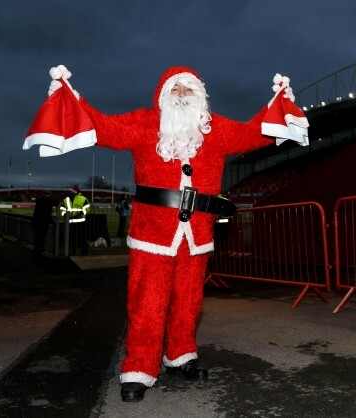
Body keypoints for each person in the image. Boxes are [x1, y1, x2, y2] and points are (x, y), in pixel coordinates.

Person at [23, 65, 308, 402]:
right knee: (148, 302)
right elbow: (105, 127)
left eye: (189, 89)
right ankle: (139, 368)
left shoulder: (214, 130)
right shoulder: (144, 123)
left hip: (197, 234)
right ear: (162, 95)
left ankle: (181, 355)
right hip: (153, 234)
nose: (183, 95)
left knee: (189, 301)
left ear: (200, 95)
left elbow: (252, 133)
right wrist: (72, 98)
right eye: (176, 89)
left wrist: (279, 103)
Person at [60, 184, 90, 255]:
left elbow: (87, 208)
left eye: (71, 191)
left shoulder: (83, 198)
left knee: (81, 238)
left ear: (75, 192)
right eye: (69, 191)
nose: (70, 192)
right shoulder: (65, 200)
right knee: (71, 238)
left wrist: (81, 213)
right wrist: (64, 214)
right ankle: (72, 252)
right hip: (70, 222)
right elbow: (62, 209)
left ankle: (84, 251)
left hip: (80, 222)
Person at [31, 190, 55, 263]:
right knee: (41, 240)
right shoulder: (47, 202)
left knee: (37, 239)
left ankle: (36, 254)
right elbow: (47, 213)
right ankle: (39, 255)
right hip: (42, 224)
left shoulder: (40, 201)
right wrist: (52, 220)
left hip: (36, 223)